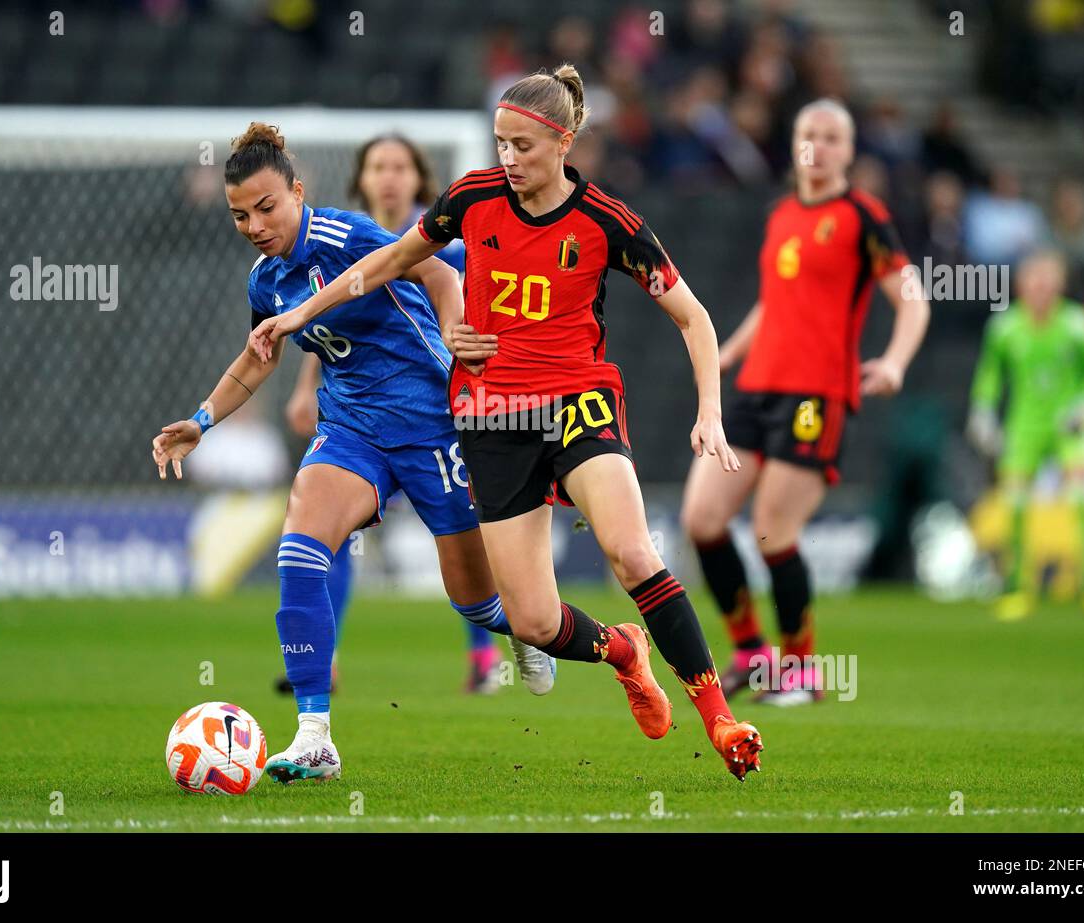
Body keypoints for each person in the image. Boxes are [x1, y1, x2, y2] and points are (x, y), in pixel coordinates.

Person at [249, 65, 765, 781]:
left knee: (631, 553)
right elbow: (394, 259)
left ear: (565, 142)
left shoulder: (609, 223)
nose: (508, 160)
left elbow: (693, 316)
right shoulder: (471, 199)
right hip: (492, 420)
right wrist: (305, 312)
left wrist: (710, 409)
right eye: (500, 144)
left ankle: (722, 720)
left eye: (522, 146)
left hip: (579, 404)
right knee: (530, 622)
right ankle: (623, 652)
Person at [151, 123, 556, 784]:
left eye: (266, 208)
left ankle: (526, 630)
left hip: (431, 424)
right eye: (239, 215)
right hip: (352, 431)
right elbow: (259, 360)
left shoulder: (349, 236)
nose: (254, 224)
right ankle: (315, 734)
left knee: (474, 602)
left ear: (298, 192)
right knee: (299, 548)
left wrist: (457, 339)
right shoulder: (266, 280)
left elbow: (435, 272)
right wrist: (202, 420)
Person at [681, 99, 930, 704]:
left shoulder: (863, 217)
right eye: (806, 135)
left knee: (772, 531)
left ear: (848, 150)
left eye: (830, 137)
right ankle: (752, 653)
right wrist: (730, 352)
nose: (816, 146)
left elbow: (913, 297)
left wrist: (894, 362)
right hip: (756, 387)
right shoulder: (783, 213)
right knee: (701, 521)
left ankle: (801, 669)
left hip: (815, 394)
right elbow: (775, 303)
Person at [279, 134, 502, 695]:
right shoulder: (340, 243)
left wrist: (468, 372)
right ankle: (322, 661)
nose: (388, 177)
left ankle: (496, 643)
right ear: (362, 178)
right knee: (328, 531)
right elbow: (329, 332)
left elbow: (465, 310)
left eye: (400, 166)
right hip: (360, 422)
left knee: (460, 542)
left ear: (419, 179)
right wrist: (306, 389)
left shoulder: (444, 246)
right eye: (378, 166)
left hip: (434, 412)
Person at [967, 249, 1084, 622]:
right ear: (1021, 284)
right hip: (1025, 424)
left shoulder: (1078, 323)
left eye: (1047, 280)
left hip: (1071, 422)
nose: (1040, 288)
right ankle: (1017, 587)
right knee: (1016, 502)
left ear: (1060, 283)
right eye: (1033, 280)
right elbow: (990, 375)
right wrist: (983, 411)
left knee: (1082, 498)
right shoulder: (1005, 328)